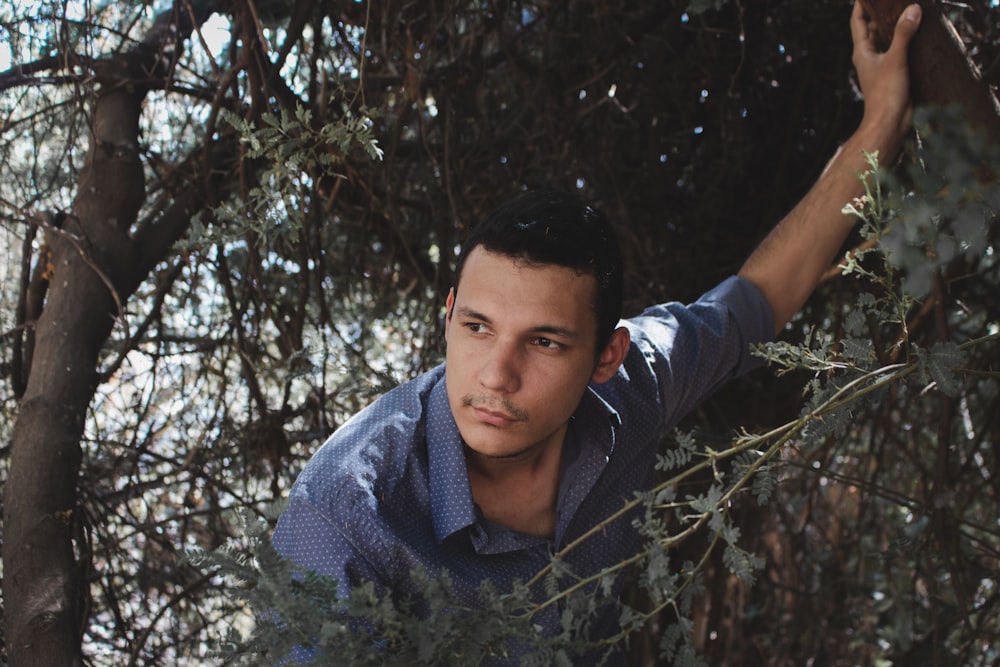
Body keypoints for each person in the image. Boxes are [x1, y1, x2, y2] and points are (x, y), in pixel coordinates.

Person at [272, 3, 923, 664]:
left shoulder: (633, 390)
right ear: (448, 317)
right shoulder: (347, 513)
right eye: (477, 327)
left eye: (545, 341)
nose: (496, 373)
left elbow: (755, 300)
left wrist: (882, 119)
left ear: (607, 355)